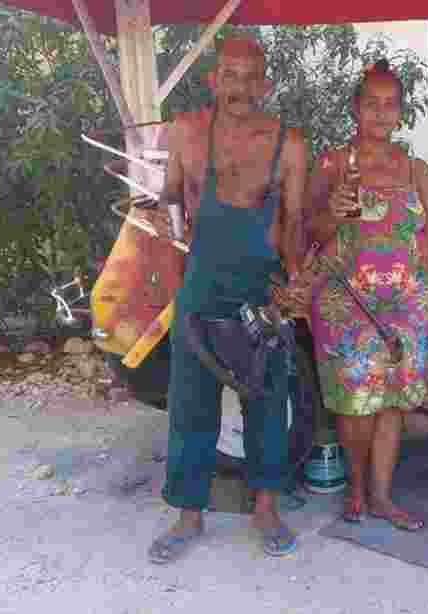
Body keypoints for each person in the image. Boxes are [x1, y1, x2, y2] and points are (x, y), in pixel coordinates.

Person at [147, 35, 308, 563]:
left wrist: (297, 280)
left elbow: (295, 224)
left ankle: (266, 507)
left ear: (265, 84)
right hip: (201, 284)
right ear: (214, 80)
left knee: (266, 400)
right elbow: (170, 204)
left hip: (263, 289)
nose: (240, 87)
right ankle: (188, 515)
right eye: (230, 75)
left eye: (251, 77)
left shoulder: (289, 144)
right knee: (190, 405)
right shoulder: (186, 133)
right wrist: (176, 282)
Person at [304, 59, 428, 530]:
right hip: (346, 304)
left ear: (400, 112)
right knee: (355, 405)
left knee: (392, 403)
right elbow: (306, 231)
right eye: (372, 104)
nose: (381, 114)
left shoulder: (417, 170)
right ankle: (354, 487)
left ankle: (383, 496)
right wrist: (334, 212)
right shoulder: (331, 163)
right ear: (356, 108)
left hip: (410, 305)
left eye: (390, 105)